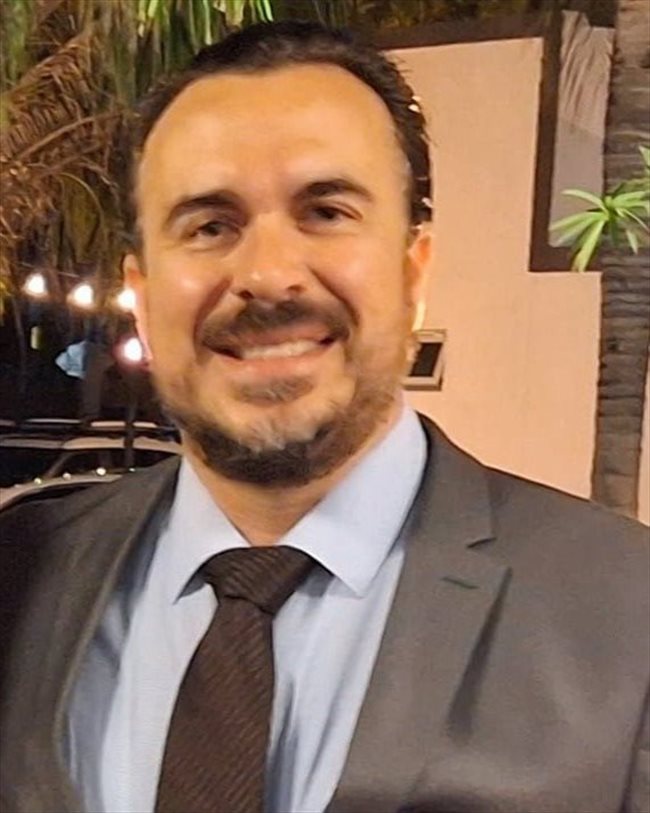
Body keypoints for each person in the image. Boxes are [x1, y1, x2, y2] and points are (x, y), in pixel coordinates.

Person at [0, 20, 648, 813]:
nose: (269, 274)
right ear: (141, 292)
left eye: (327, 212)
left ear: (413, 272)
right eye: (209, 225)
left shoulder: (624, 610)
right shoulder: (24, 572)